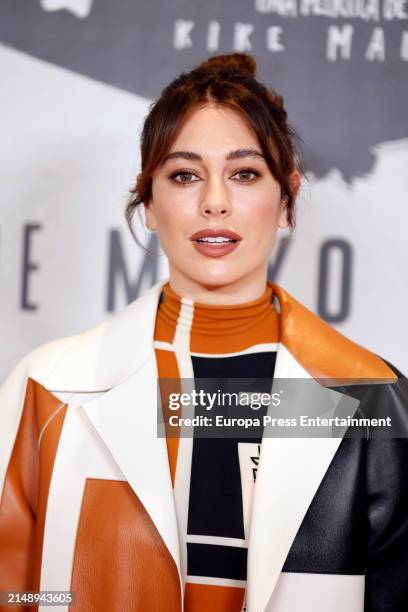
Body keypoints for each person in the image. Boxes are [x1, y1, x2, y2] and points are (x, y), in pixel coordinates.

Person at [0, 53, 407, 612]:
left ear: (286, 199)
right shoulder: (46, 389)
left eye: (244, 173)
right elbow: (15, 591)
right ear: (147, 201)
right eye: (185, 175)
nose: (215, 202)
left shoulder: (372, 397)